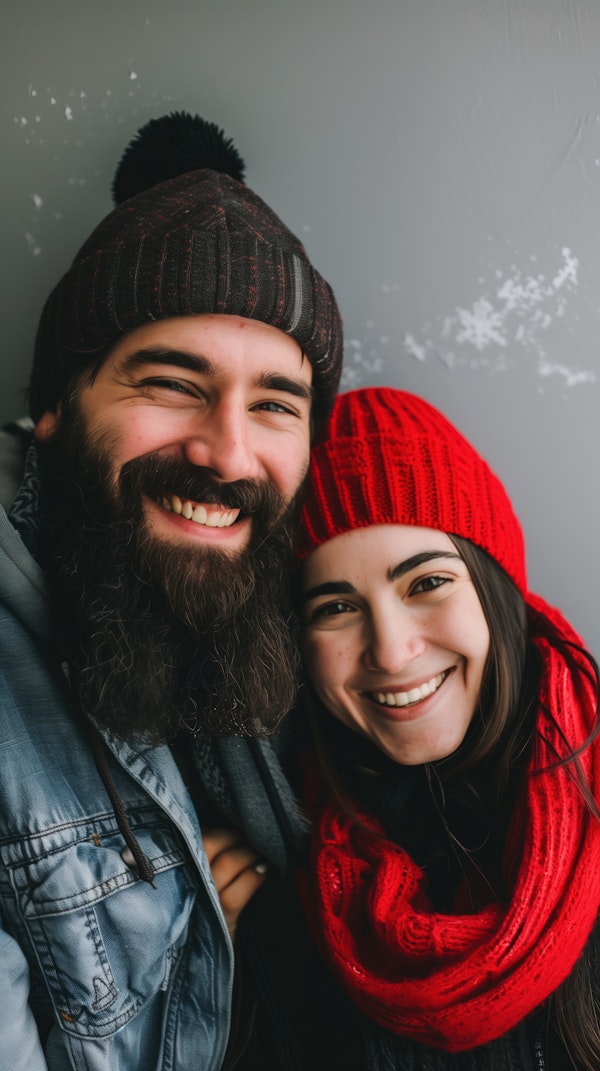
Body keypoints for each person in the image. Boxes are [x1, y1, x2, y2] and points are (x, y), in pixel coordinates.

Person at [0, 111, 343, 1069]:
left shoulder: (299, 616)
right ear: (57, 407)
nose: (229, 452)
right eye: (172, 382)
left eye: (276, 402)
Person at [292, 387, 600, 1070]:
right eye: (336, 605)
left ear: (494, 588)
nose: (392, 650)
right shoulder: (281, 865)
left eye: (426, 582)